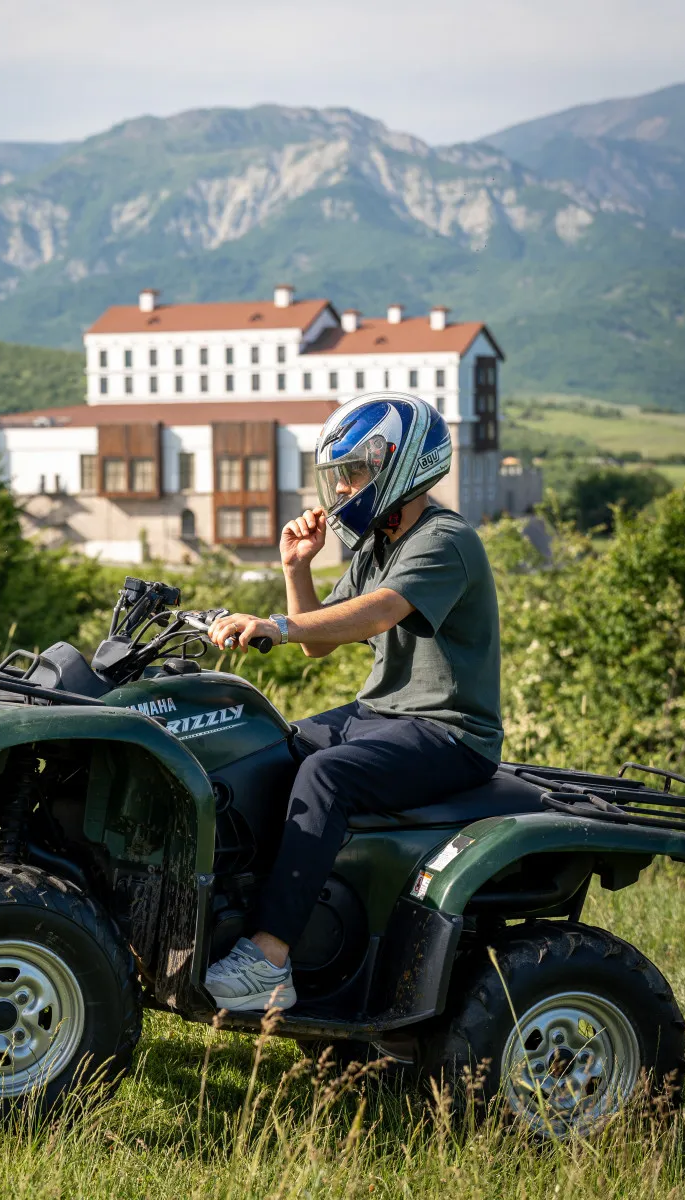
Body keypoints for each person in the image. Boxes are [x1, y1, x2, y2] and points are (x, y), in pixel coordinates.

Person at [204, 392, 504, 1013]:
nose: (341, 488)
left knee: (326, 774)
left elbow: (376, 614)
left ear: (399, 465)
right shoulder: (377, 544)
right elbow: (320, 641)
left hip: (449, 731)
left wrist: (275, 625)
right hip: (381, 716)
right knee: (264, 748)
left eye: (354, 472)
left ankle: (269, 958)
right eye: (338, 474)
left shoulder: (444, 539)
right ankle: (227, 914)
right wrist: (296, 569)